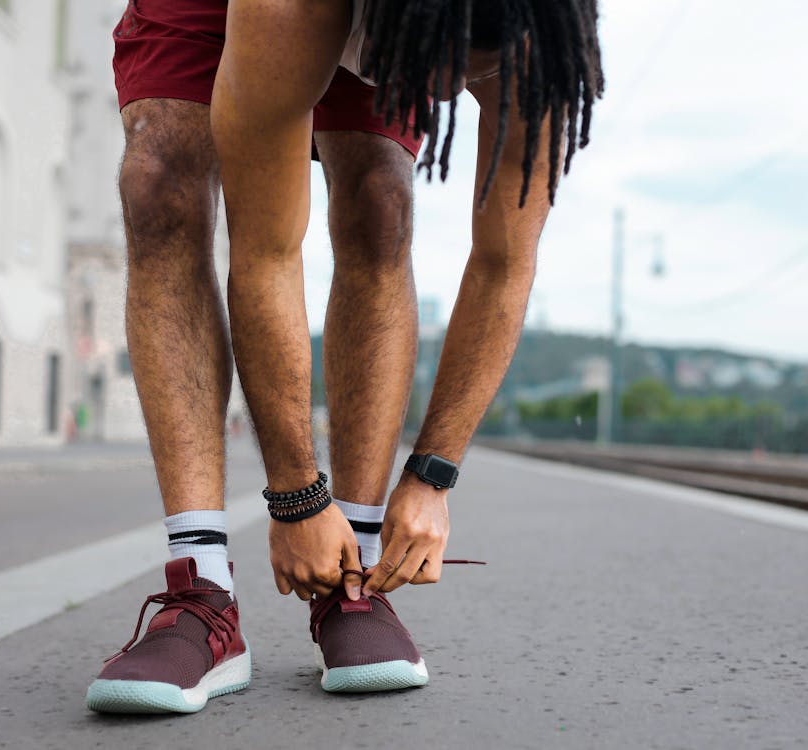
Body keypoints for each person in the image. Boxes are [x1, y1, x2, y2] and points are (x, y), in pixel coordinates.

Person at [87, 0, 602, 712]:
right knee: (160, 178)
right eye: (433, 68)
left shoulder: (546, 41)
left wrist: (431, 477)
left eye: (466, 68)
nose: (444, 90)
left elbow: (503, 264)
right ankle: (198, 586)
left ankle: (350, 578)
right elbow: (267, 251)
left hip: (432, 19)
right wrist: (296, 497)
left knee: (378, 197)